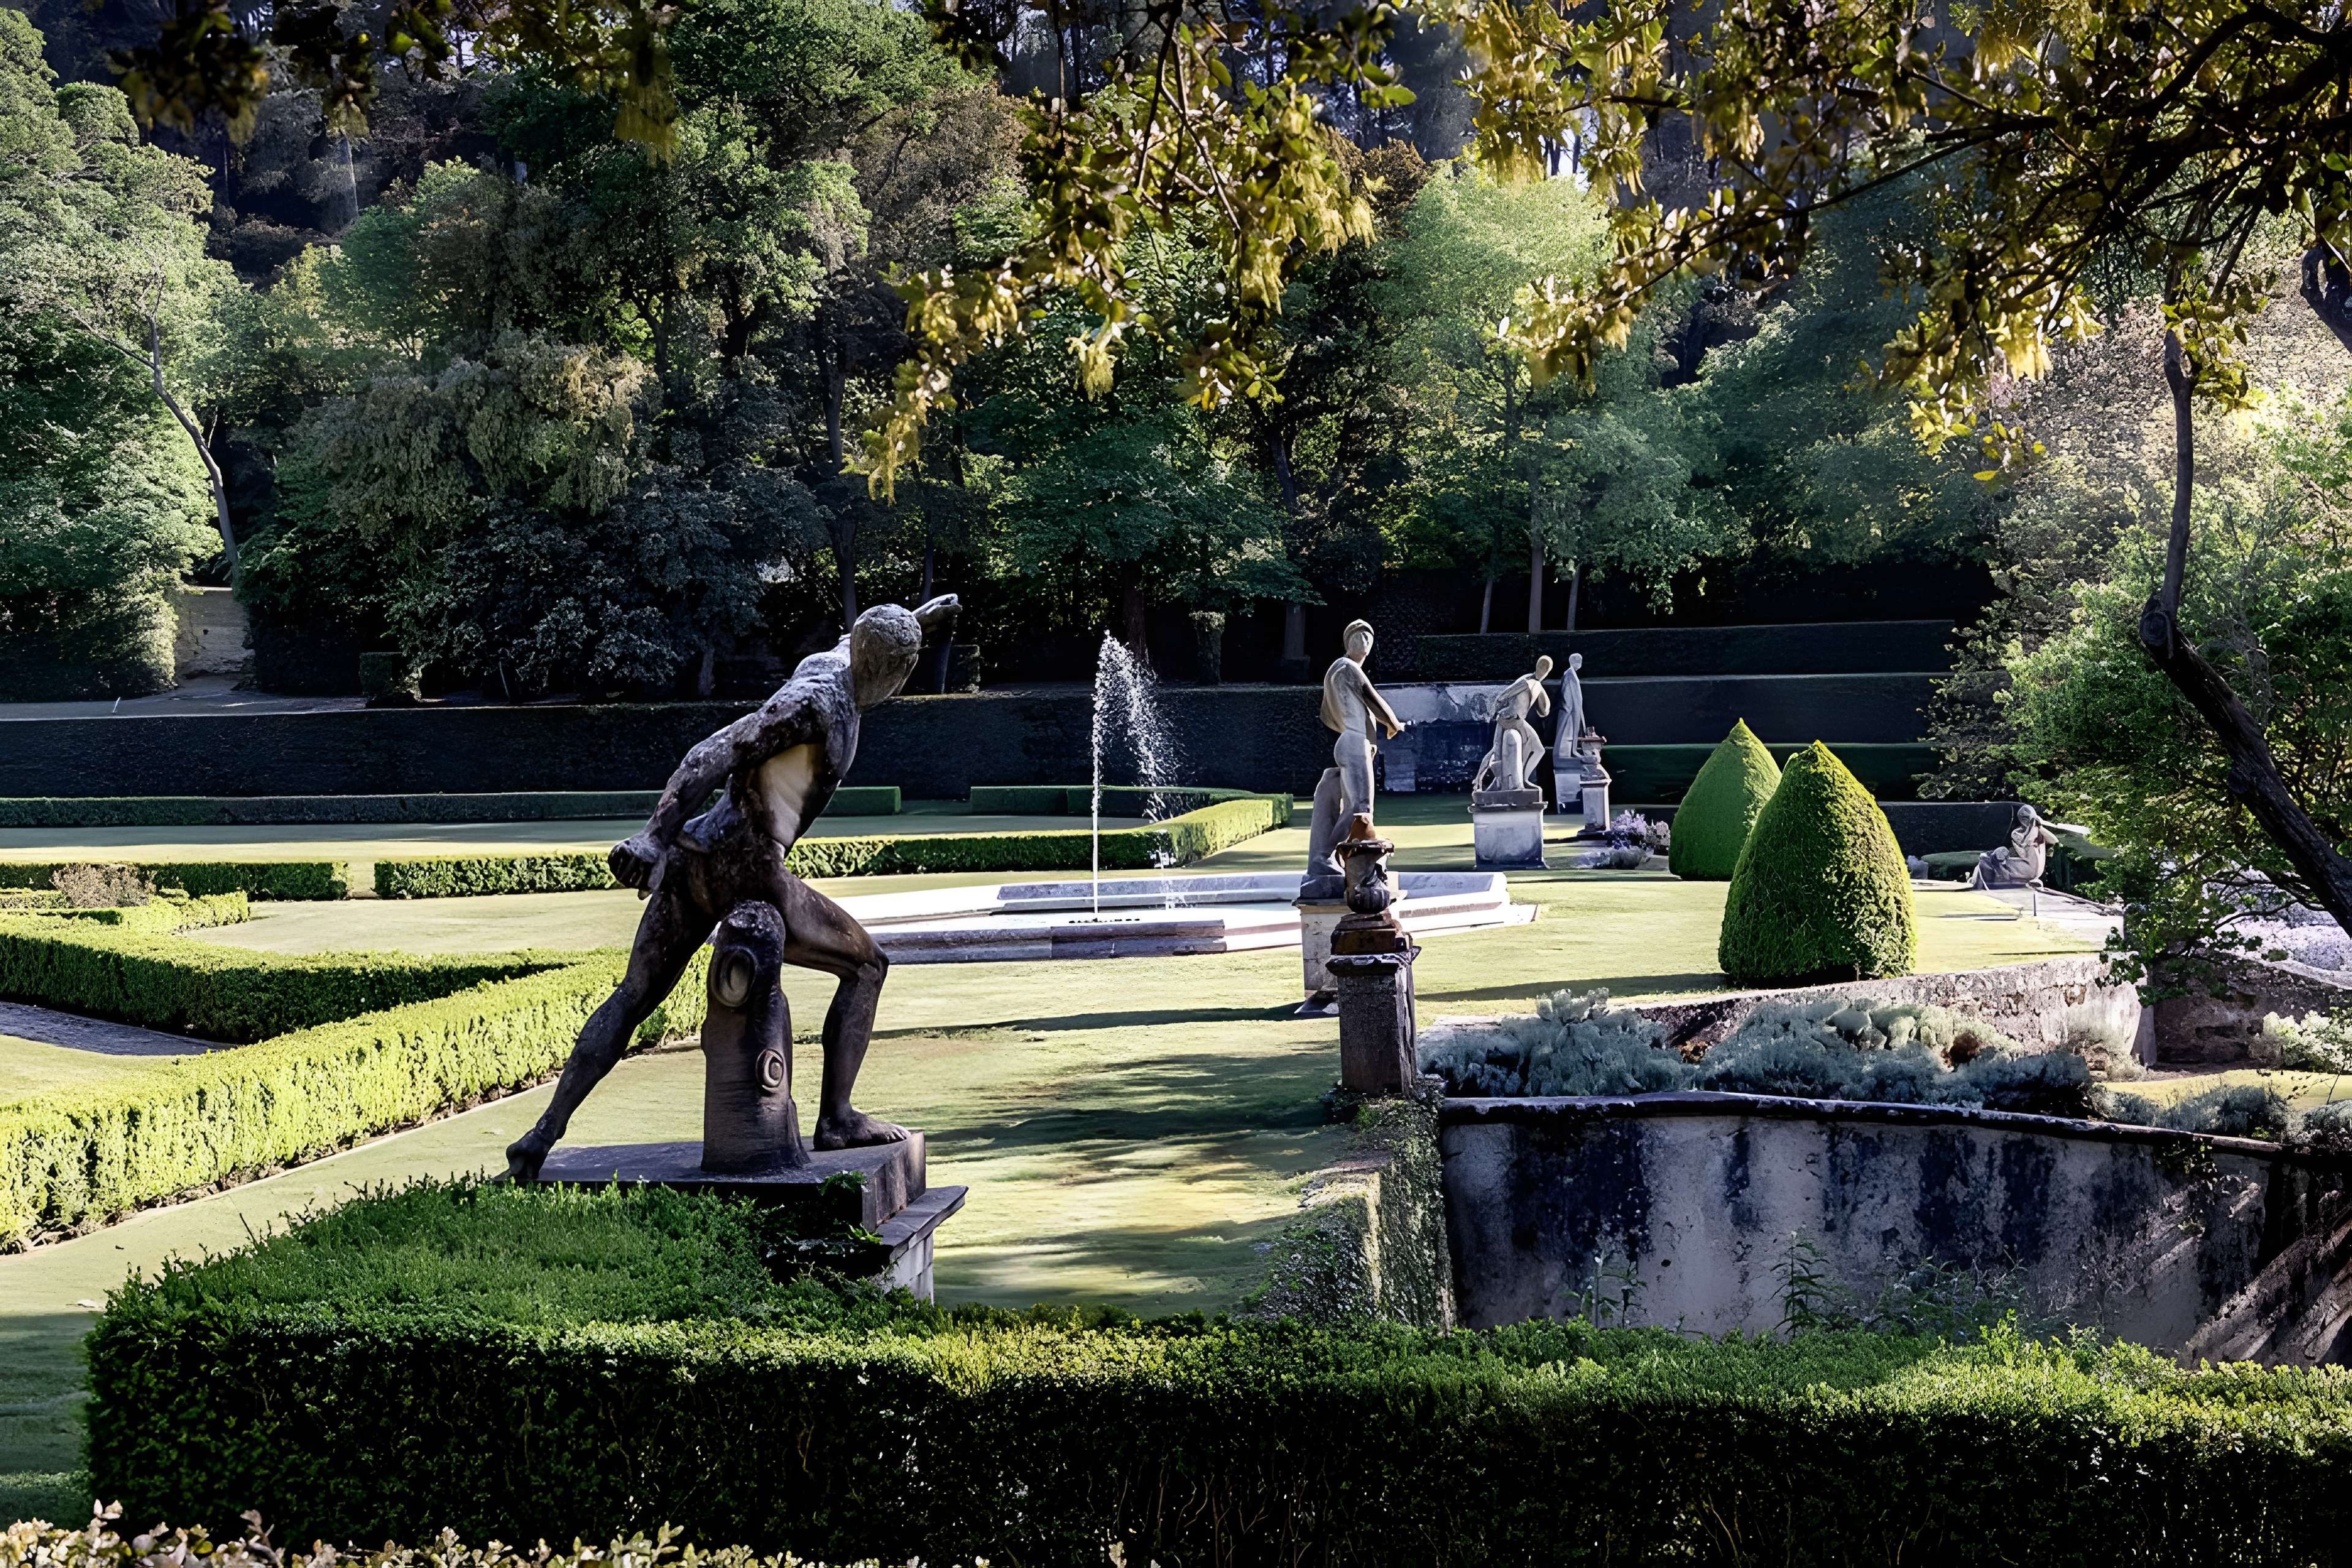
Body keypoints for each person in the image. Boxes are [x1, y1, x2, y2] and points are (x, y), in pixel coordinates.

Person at [505, 595, 960, 1180]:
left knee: (634, 996)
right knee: (869, 965)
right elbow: (714, 752)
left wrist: (916, 621)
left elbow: (859, 642)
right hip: (749, 869)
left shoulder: (833, 664)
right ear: (895, 669)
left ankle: (543, 1134)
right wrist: (651, 837)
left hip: (695, 855)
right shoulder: (816, 705)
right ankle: (838, 1118)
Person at [1306, 619, 1404, 881]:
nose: (1364, 642)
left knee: (1346, 801)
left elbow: (1330, 713)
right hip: (1354, 742)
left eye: (1368, 638)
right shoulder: (1349, 668)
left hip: (1349, 741)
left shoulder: (1335, 669)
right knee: (1360, 809)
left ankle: (1332, 859)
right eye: (1360, 637)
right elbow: (1373, 699)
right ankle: (1325, 857)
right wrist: (1394, 725)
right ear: (1348, 643)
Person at [1474, 656, 1555, 797]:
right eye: (1542, 667)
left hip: (1516, 720)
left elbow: (1544, 711)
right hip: (1510, 719)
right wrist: (1494, 713)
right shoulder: (1526, 681)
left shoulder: (1535, 684)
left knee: (1537, 749)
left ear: (1547, 672)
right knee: (1497, 752)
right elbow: (1503, 696)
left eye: (1545, 668)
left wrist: (1541, 693)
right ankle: (1484, 780)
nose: (1543, 670)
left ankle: (1523, 779)